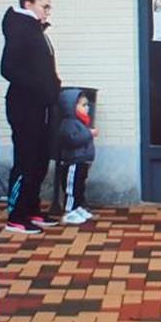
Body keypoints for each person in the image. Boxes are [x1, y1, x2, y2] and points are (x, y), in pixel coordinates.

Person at [1, 0, 61, 234]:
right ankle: (16, 215)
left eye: (49, 7)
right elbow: (8, 69)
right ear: (28, 4)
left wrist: (52, 87)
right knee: (25, 160)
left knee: (39, 159)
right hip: (25, 106)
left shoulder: (36, 30)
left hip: (42, 105)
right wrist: (40, 87)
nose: (48, 11)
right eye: (44, 6)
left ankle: (32, 209)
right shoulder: (20, 29)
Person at [56, 90, 98, 224]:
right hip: (73, 161)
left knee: (79, 186)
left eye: (87, 105)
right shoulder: (69, 123)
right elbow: (72, 140)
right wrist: (89, 134)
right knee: (72, 187)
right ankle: (69, 211)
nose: (87, 108)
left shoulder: (81, 123)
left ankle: (77, 207)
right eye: (83, 105)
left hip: (82, 160)